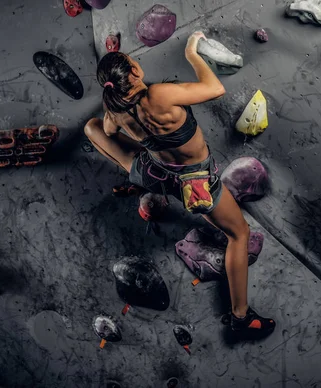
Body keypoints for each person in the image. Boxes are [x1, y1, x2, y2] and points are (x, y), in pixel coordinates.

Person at [84, 31, 275, 335]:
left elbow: (106, 129)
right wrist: (192, 54)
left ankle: (137, 183)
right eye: (134, 61)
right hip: (196, 181)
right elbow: (215, 88)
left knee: (92, 127)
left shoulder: (116, 112)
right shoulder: (159, 94)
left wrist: (120, 113)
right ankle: (241, 317)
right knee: (239, 234)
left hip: (155, 174)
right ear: (133, 71)